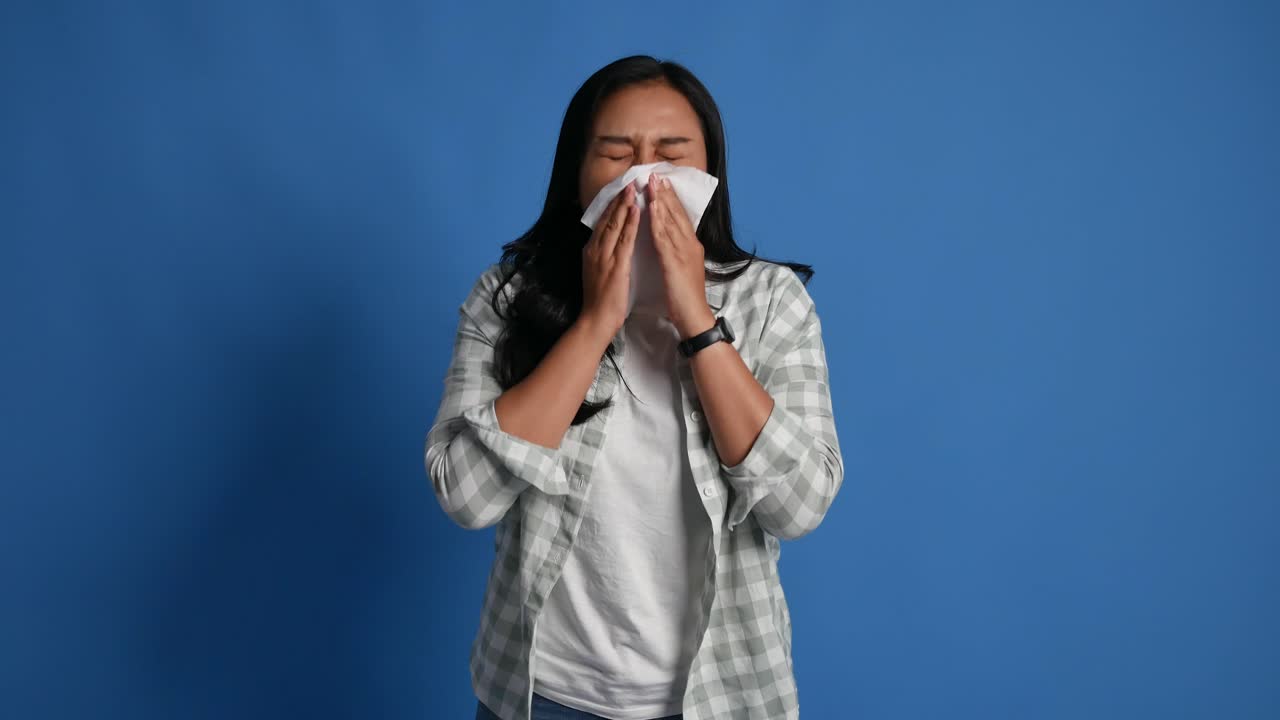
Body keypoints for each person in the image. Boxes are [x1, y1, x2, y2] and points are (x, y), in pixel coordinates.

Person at [425, 55, 845, 720]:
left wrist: (697, 321)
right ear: (577, 177)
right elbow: (465, 497)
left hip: (721, 697)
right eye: (616, 154)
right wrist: (595, 323)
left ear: (708, 175)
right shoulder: (506, 299)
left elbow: (799, 508)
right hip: (539, 694)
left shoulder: (773, 302)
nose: (644, 178)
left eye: (670, 154)